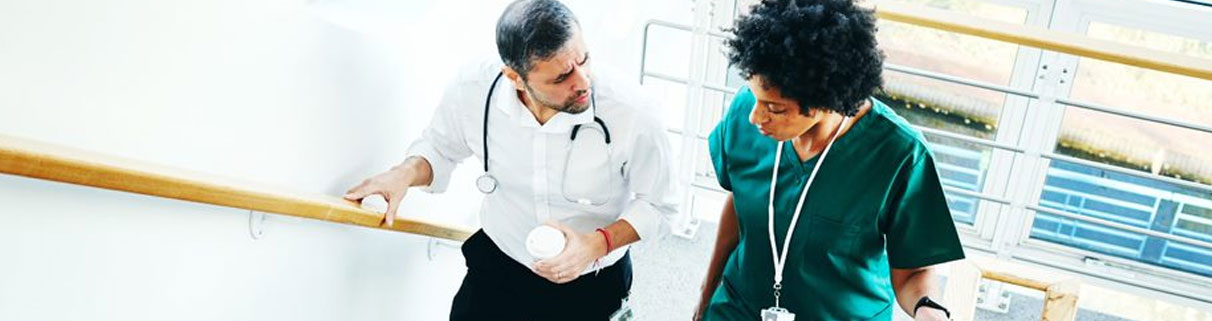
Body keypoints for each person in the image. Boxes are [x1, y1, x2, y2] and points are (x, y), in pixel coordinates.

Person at [342, 0, 679, 319]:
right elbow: (440, 148)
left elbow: (661, 208)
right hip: (502, 262)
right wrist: (403, 174)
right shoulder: (473, 89)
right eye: (561, 78)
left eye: (584, 60)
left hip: (591, 278)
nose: (582, 81)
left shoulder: (635, 113)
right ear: (515, 77)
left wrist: (595, 245)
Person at [693, 0, 965, 320]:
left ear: (826, 98)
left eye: (776, 108)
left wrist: (929, 311)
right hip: (739, 310)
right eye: (754, 96)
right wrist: (706, 296)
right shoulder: (745, 114)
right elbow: (740, 203)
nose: (755, 116)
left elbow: (913, 272)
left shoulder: (900, 155)